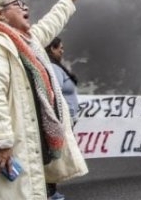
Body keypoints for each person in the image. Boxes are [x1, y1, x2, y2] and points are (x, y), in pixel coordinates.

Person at [0, 0, 87, 200]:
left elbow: (49, 25)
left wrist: (68, 1)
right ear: (0, 14)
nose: (25, 6)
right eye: (17, 4)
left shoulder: (26, 42)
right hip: (10, 144)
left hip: (25, 139)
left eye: (23, 2)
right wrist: (0, 142)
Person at [44, 37, 82, 200]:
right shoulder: (52, 67)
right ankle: (49, 191)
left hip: (66, 118)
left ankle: (50, 189)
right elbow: (55, 93)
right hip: (60, 120)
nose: (62, 50)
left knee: (56, 153)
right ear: (52, 49)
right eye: (60, 48)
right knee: (54, 154)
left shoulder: (56, 66)